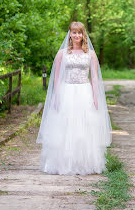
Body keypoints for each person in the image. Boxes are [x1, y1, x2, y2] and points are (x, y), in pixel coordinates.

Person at [36, 21, 112, 175]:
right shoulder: (62, 54)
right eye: (74, 32)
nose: (77, 35)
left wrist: (96, 97)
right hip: (66, 91)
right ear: (69, 34)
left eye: (80, 33)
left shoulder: (90, 54)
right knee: (65, 127)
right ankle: (63, 164)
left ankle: (84, 164)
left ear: (83, 35)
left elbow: (95, 78)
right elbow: (56, 78)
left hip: (84, 92)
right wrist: (56, 96)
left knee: (84, 128)